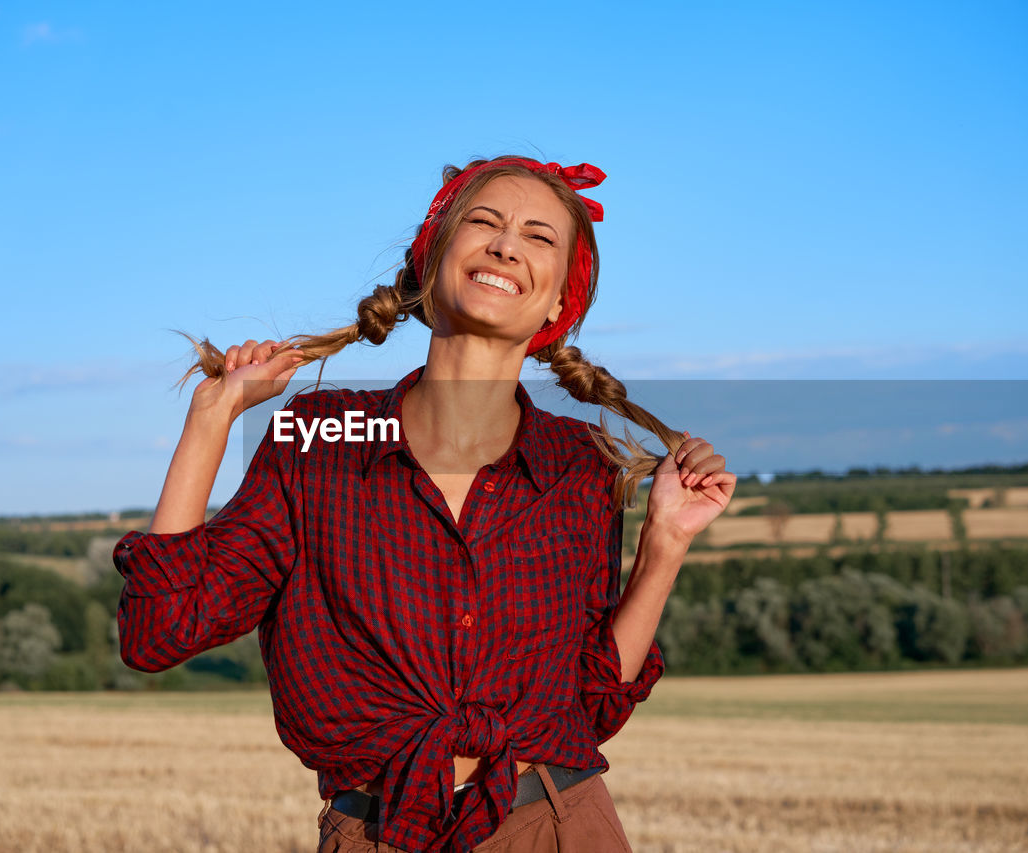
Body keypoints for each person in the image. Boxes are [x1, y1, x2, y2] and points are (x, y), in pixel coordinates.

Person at [113, 155, 736, 852]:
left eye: (539, 237)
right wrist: (213, 417)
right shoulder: (319, 441)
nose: (505, 244)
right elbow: (157, 632)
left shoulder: (580, 463)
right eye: (484, 221)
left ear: (560, 304)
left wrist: (664, 548)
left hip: (561, 825)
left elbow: (589, 708)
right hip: (379, 833)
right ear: (433, 260)